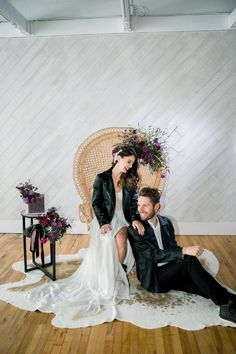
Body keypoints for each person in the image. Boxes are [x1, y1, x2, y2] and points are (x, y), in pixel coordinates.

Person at [127, 187, 236, 324]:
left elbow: (172, 246)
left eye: (145, 206)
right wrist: (184, 251)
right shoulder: (134, 230)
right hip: (154, 278)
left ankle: (229, 298)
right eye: (138, 205)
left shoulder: (166, 222)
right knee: (189, 260)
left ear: (157, 206)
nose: (140, 210)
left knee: (204, 285)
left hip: (171, 271)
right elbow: (153, 255)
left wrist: (181, 252)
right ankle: (224, 307)